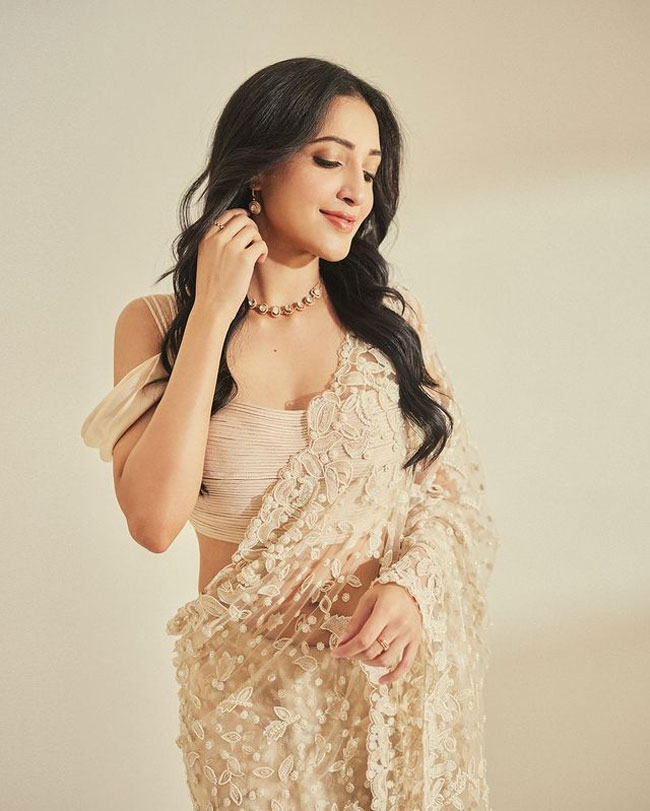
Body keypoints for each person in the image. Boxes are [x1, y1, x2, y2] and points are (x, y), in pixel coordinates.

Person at [81, 57, 499, 811]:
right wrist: (212, 313)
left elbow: (454, 497)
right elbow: (152, 521)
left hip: (385, 693)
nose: (356, 192)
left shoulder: (389, 328)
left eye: (370, 170)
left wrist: (412, 588)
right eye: (330, 160)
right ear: (258, 165)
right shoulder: (155, 325)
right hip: (250, 716)